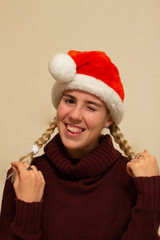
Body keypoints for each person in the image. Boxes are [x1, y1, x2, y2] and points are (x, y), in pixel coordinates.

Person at [0, 50, 160, 240]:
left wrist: (151, 192)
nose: (75, 115)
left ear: (108, 119)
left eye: (91, 107)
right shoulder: (24, 178)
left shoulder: (133, 180)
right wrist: (27, 210)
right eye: (69, 101)